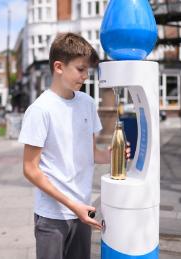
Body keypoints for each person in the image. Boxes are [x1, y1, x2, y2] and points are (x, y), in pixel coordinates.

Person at [18, 33, 131, 259]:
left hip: (82, 211)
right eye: (80, 69)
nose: (85, 76)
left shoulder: (87, 103)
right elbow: (30, 169)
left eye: (87, 70)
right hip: (52, 217)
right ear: (59, 67)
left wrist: (111, 156)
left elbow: (90, 154)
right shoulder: (40, 109)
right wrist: (73, 205)